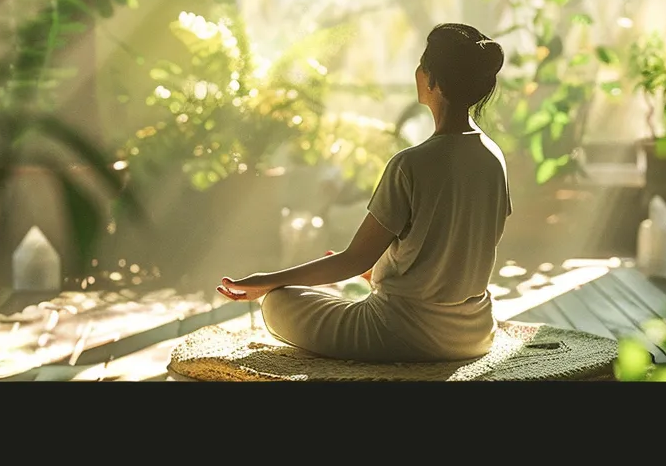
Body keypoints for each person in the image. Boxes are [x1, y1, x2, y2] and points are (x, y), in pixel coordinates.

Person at [217, 23, 511, 363]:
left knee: (279, 302)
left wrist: (266, 281)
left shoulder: (411, 164)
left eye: (422, 64)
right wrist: (384, 270)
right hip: (474, 335)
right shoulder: (494, 157)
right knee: (356, 289)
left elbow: (353, 259)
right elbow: (459, 247)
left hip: (400, 333)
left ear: (432, 80)